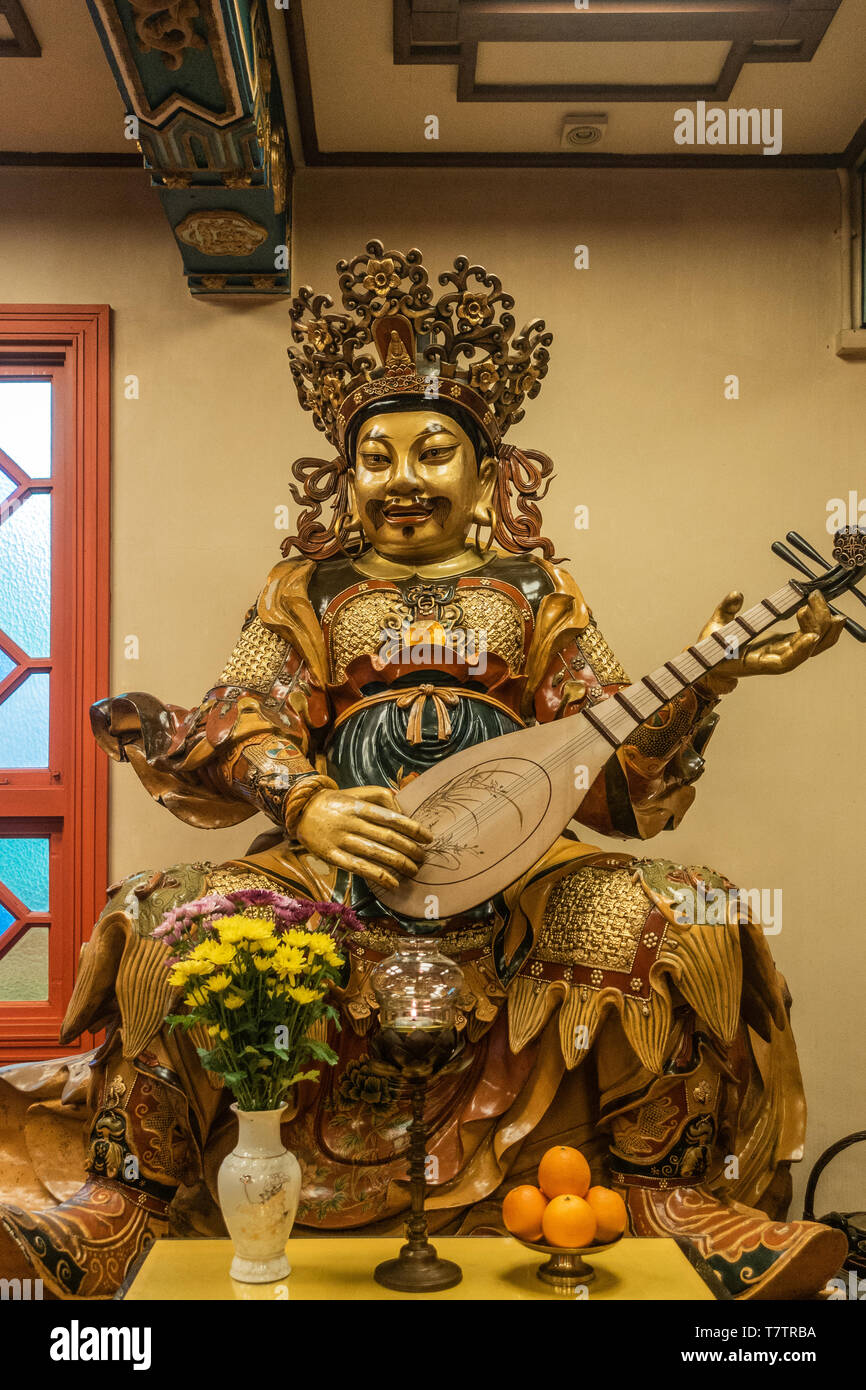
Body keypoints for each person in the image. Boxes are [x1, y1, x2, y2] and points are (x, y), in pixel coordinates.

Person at [0, 242, 847, 1299]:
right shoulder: (303, 589)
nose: (401, 478)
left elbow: (611, 764)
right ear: (341, 477)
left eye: (433, 452)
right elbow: (240, 714)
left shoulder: (537, 592)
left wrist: (704, 681)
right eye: (377, 456)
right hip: (335, 867)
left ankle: (662, 1198)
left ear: (486, 476)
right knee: (175, 917)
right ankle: (130, 1200)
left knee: (672, 915)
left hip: (517, 869)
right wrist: (306, 805)